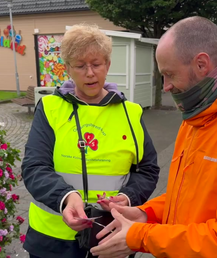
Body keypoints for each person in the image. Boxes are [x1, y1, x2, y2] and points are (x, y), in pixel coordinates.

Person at [90, 16, 217, 258]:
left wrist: (141, 236)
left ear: (201, 64)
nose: (165, 86)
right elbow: (189, 198)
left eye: (169, 74)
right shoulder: (195, 118)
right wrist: (147, 214)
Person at [21, 24, 160, 258]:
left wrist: (128, 197)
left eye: (96, 64)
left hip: (111, 234)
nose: (89, 73)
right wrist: (66, 197)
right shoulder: (50, 108)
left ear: (108, 64)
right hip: (53, 239)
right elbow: (34, 167)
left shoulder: (131, 112)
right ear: (67, 68)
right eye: (80, 65)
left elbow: (148, 169)